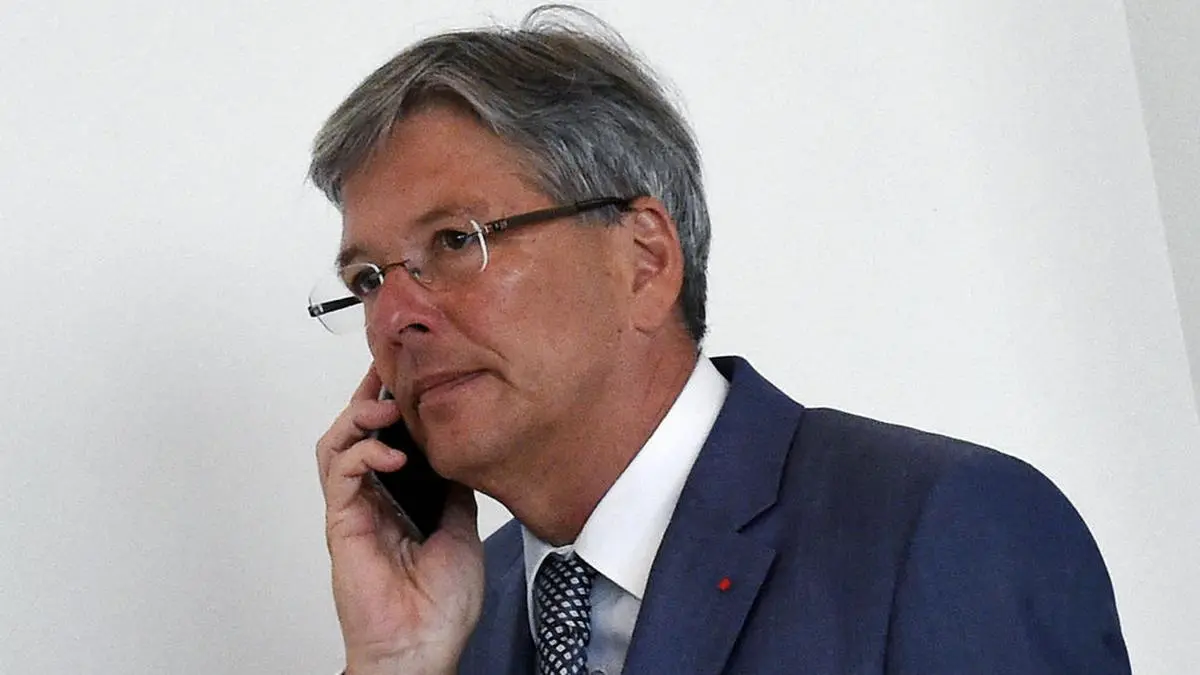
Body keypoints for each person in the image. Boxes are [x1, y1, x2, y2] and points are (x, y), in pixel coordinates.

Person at [308, 6, 1131, 674]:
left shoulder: (940, 529)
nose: (394, 317)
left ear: (644, 260)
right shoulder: (453, 622)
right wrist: (394, 663)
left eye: (455, 241)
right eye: (368, 279)